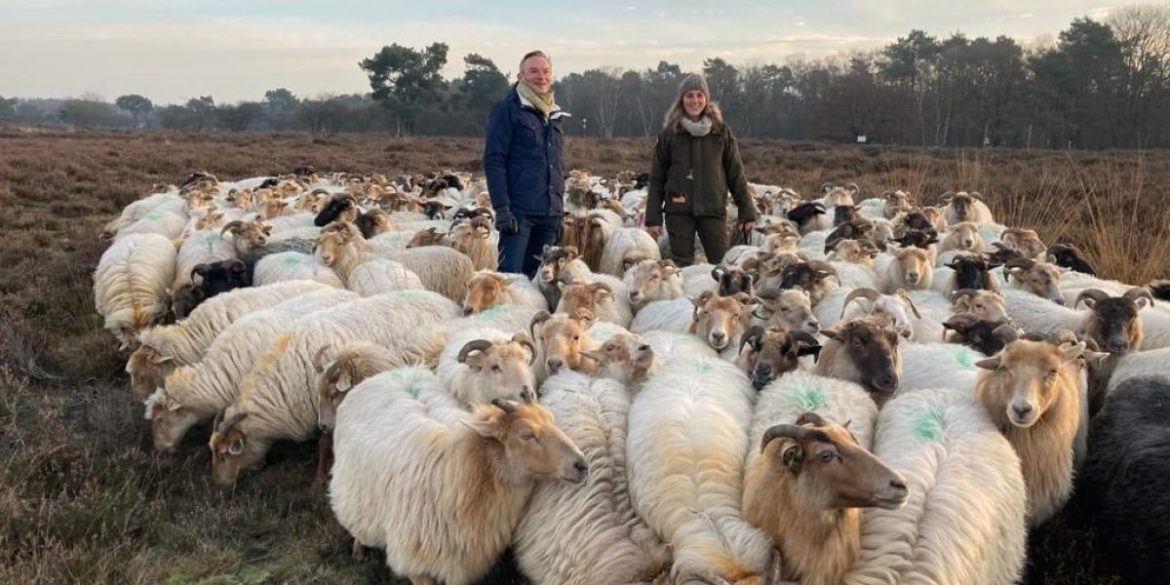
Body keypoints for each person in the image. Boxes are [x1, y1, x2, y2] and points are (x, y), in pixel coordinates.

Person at [644, 73, 756, 267]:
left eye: (699, 95)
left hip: (713, 210)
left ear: (706, 98)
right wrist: (653, 218)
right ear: (681, 100)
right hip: (678, 211)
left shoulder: (721, 132)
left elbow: (735, 174)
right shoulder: (670, 135)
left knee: (720, 265)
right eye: (689, 96)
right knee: (682, 266)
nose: (695, 101)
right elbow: (657, 179)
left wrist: (747, 212)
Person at [483, 50, 569, 278]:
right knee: (510, 278)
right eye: (533, 71)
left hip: (550, 214)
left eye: (546, 71)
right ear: (521, 76)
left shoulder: (554, 114)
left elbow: (556, 162)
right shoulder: (507, 110)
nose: (541, 76)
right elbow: (494, 159)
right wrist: (501, 207)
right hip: (519, 214)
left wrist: (559, 210)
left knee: (542, 280)